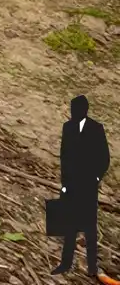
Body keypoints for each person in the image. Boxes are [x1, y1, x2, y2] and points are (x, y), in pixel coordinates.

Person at [57, 94, 109, 277]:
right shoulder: (68, 127)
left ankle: (93, 267)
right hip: (72, 183)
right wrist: (64, 182)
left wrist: (95, 178)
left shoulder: (96, 129)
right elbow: (64, 156)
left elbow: (104, 158)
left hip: (88, 183)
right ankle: (65, 263)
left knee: (89, 225)